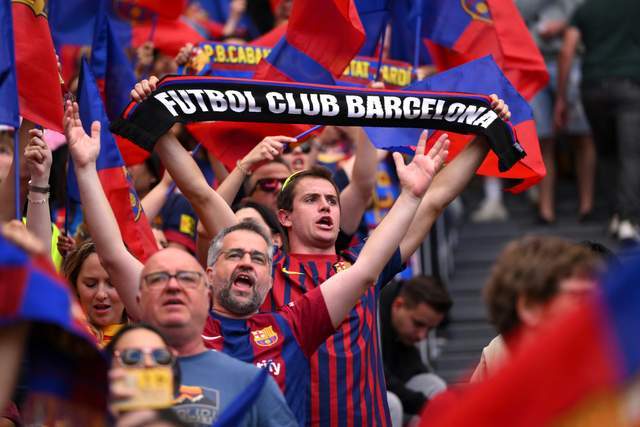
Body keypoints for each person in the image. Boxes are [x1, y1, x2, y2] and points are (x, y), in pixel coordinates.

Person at [137, 72, 511, 425]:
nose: (326, 207)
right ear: (284, 216)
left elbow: (433, 201)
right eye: (312, 199)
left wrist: (487, 133)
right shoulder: (262, 267)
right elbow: (201, 195)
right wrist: (155, 120)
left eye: (332, 200)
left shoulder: (365, 262)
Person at [64, 100, 298, 427]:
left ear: (207, 291)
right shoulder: (115, 374)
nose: (173, 285)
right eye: (159, 278)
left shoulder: (253, 385)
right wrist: (86, 169)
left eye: (187, 278)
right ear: (139, 298)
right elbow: (112, 253)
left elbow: (202, 195)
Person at [555, 0, 640, 241]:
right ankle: (628, 218)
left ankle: (616, 213)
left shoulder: (585, 9)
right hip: (631, 83)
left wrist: (561, 97)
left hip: (593, 86)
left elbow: (567, 50)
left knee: (606, 152)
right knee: (632, 155)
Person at [471, 235, 602, 382]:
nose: (596, 305)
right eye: (578, 295)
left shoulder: (607, 352)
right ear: (529, 306)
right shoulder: (496, 357)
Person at [515, 0, 595, 224]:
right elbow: (515, 12)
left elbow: (587, 11)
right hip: (534, 61)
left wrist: (564, 25)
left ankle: (587, 205)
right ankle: (545, 209)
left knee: (582, 134)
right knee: (541, 138)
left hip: (573, 58)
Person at [380, 276, 452, 426]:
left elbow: (414, 368)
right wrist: (423, 405)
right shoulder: (370, 314)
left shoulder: (402, 327)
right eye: (418, 324)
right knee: (390, 404)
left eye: (429, 329)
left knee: (434, 387)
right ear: (398, 305)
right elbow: (378, 377)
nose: (422, 336)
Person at [62, 240, 127, 347]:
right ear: (75, 287)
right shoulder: (62, 337)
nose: (101, 294)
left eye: (112, 284)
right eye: (90, 284)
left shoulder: (147, 337)